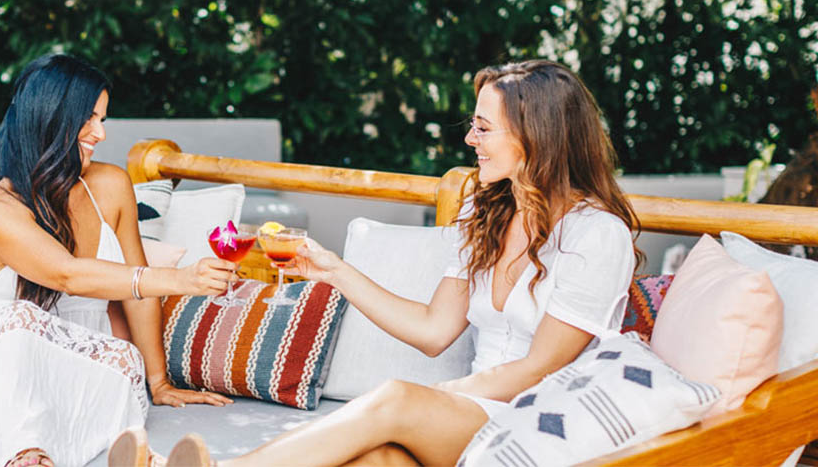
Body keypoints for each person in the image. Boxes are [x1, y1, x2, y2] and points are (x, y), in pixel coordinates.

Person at [161, 60, 641, 467]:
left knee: (397, 398)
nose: (471, 139)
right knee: (375, 460)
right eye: (474, 124)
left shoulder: (596, 235)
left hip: (541, 421)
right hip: (472, 412)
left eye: (484, 127)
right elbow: (433, 330)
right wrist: (334, 272)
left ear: (537, 137)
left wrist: (438, 397)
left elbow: (540, 368)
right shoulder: (487, 210)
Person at [0, 54, 235, 467]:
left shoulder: (110, 184)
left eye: (103, 119)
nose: (100, 133)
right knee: (21, 321)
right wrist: (181, 280)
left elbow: (136, 297)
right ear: (51, 118)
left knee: (124, 361)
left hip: (75, 365)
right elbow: (66, 275)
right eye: (89, 118)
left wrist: (158, 382)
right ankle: (22, 451)